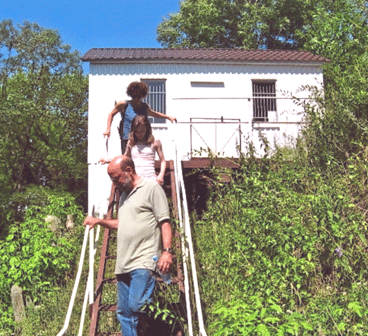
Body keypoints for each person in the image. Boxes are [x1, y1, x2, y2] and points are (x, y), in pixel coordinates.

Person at [84, 155, 173, 336]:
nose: (114, 182)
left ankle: (166, 330)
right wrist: (99, 221)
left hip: (144, 260)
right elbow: (121, 223)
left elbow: (165, 221)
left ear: (129, 171)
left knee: (137, 305)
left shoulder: (152, 189)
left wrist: (167, 252)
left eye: (115, 177)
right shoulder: (124, 196)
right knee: (124, 313)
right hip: (123, 263)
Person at [103, 81, 177, 154]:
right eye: (134, 96)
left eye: (138, 97)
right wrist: (108, 129)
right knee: (126, 160)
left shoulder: (144, 107)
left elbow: (154, 113)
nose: (136, 99)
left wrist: (168, 117)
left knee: (140, 158)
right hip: (127, 138)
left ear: (142, 96)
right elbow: (111, 114)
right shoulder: (124, 104)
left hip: (141, 138)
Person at [124, 115, 166, 185]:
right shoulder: (131, 143)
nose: (139, 134)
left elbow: (163, 161)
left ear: (147, 129)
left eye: (142, 131)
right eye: (137, 132)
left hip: (150, 179)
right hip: (136, 180)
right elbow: (125, 159)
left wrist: (161, 175)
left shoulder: (155, 142)